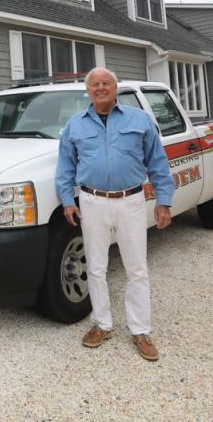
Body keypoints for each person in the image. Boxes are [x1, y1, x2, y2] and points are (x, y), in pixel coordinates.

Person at [55, 68, 175, 361]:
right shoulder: (75, 126)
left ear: (115, 87)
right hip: (92, 201)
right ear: (88, 90)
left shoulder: (139, 120)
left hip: (130, 200)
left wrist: (164, 201)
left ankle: (140, 330)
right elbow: (65, 166)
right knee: (95, 267)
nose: (100, 88)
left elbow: (157, 162)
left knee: (137, 268)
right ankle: (102, 324)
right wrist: (67, 200)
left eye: (106, 83)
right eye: (94, 84)